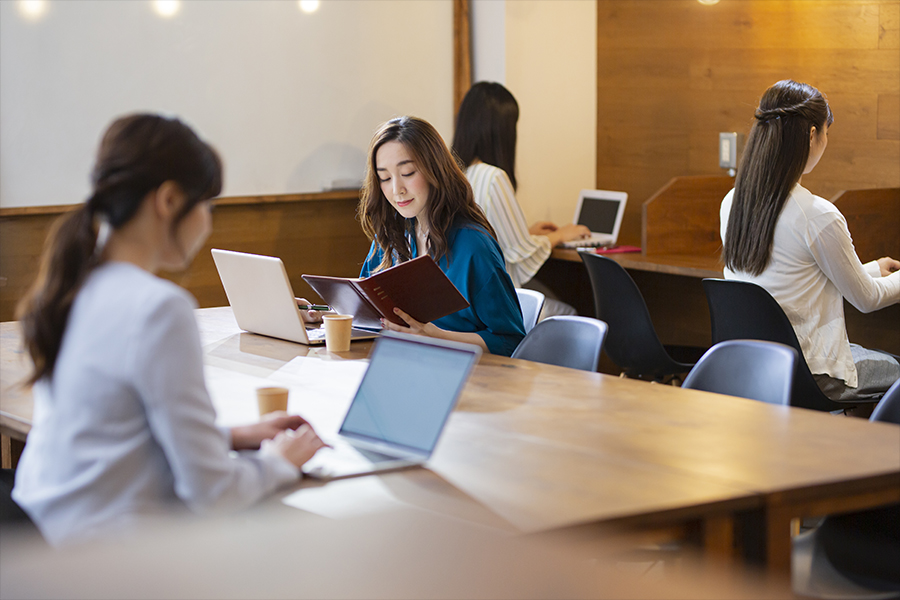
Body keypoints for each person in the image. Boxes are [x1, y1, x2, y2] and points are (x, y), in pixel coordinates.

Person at [12, 114, 327, 546]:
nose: (208, 222)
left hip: (44, 537)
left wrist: (232, 436)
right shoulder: (158, 308)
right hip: (108, 559)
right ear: (169, 201)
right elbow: (213, 493)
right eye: (207, 206)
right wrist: (278, 462)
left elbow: (111, 430)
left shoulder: (70, 286)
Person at [720, 80, 900, 402]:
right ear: (812, 135)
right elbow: (867, 299)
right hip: (815, 373)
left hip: (751, 361)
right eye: (827, 134)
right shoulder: (816, 214)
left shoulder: (733, 202)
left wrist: (873, 268)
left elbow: (794, 275)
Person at [358, 116, 525, 357]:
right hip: (404, 367)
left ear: (434, 170)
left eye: (407, 172)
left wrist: (438, 338)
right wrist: (317, 313)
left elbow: (512, 342)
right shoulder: (392, 238)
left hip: (468, 380)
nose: (396, 189)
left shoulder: (473, 247)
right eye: (384, 178)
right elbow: (362, 310)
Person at [452, 82, 590, 316]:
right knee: (570, 316)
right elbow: (521, 254)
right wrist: (560, 235)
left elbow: (488, 240)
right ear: (502, 131)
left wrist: (528, 232)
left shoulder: (455, 174)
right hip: (493, 300)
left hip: (463, 297)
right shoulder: (493, 176)